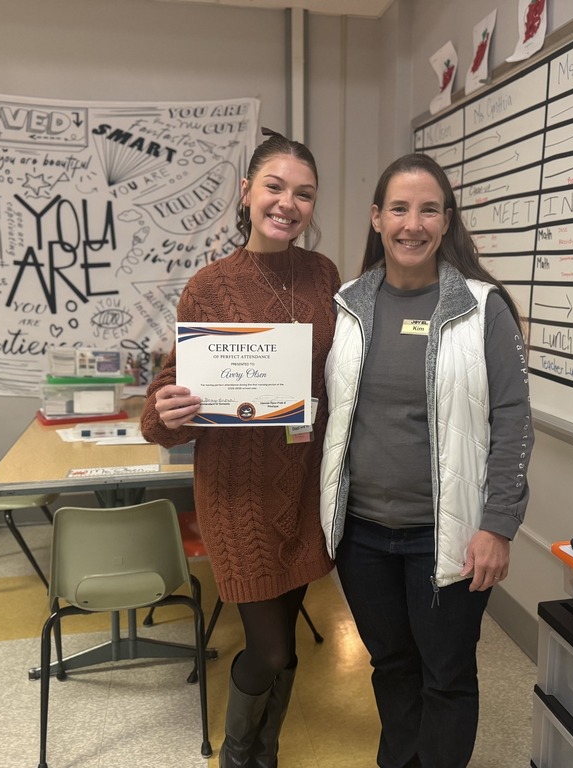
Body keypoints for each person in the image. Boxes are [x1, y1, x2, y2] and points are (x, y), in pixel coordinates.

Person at [320, 152, 534, 768]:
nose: (412, 224)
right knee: (391, 666)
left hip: (450, 536)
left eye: (428, 210)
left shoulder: (480, 308)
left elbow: (514, 420)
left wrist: (497, 526)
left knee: (445, 676)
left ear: (446, 221)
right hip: (362, 535)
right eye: (399, 209)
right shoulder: (348, 306)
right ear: (376, 218)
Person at [140, 129, 340, 768]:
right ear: (246, 192)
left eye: (303, 194)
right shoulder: (211, 287)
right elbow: (168, 398)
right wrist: (165, 413)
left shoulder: (323, 276)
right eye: (275, 188)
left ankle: (266, 753)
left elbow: (336, 376)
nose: (288, 204)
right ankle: (237, 752)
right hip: (237, 495)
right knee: (271, 648)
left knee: (288, 639)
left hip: (305, 488)